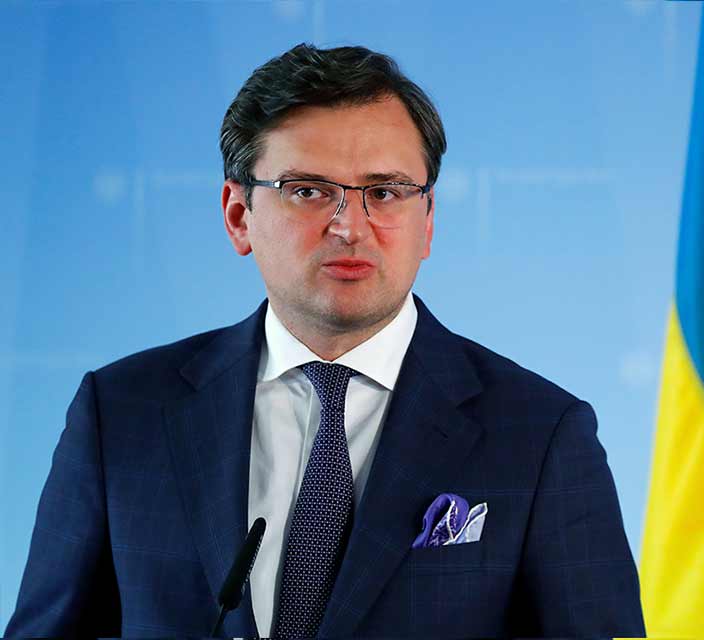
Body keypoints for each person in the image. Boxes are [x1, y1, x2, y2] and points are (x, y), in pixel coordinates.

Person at [5, 44, 645, 638]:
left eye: (385, 192)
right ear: (238, 216)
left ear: (427, 222)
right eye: (308, 191)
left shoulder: (540, 434)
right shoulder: (120, 413)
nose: (350, 226)